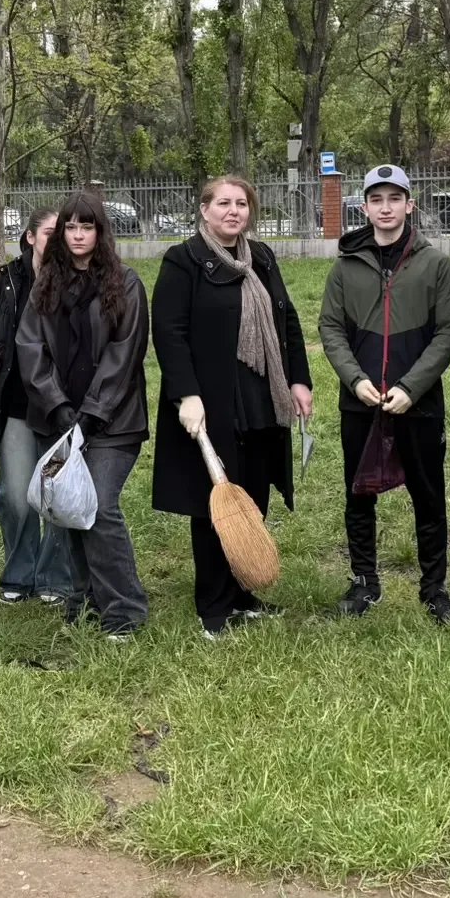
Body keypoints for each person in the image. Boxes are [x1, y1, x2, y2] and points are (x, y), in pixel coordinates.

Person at [150, 176, 314, 639]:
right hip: (212, 400)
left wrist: (299, 379)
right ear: (204, 209)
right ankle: (213, 605)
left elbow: (287, 319)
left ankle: (243, 593)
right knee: (215, 503)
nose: (233, 211)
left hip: (261, 394)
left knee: (253, 494)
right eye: (223, 203)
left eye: (241, 203)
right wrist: (186, 394)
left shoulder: (260, 257)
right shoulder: (183, 260)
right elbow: (169, 331)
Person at [318, 163, 450, 624]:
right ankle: (364, 581)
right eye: (376, 200)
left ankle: (434, 588)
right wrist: (354, 379)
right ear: (364, 207)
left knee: (428, 495)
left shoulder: (436, 264)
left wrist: (411, 387)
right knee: (358, 494)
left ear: (409, 205)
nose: (386, 208)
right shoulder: (346, 267)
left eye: (394, 198)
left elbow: (448, 333)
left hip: (418, 403)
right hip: (360, 401)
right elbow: (330, 328)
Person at [16, 191, 150, 638]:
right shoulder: (46, 283)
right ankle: (84, 598)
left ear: (100, 231)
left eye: (86, 226)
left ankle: (125, 609)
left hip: (114, 421)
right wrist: (57, 407)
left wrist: (91, 415)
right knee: (69, 507)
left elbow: (124, 354)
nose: (77, 235)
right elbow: (30, 347)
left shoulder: (125, 283)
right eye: (70, 227)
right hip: (59, 418)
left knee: (100, 507)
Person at [0, 208, 73, 607]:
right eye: (50, 232)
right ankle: (19, 575)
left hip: (61, 410)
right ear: (30, 237)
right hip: (17, 408)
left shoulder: (77, 280)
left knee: (56, 493)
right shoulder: (6, 282)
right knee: (16, 496)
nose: (58, 239)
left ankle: (54, 577)